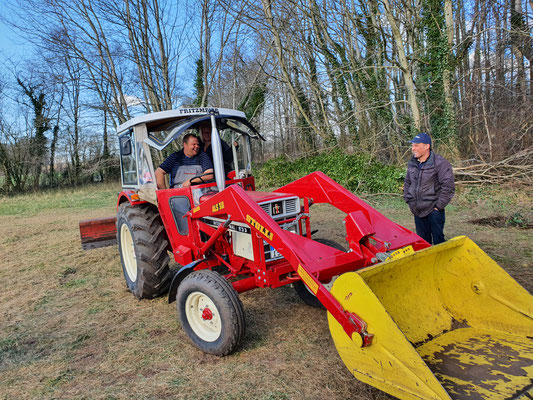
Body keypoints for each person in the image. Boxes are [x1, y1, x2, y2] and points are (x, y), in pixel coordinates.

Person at [403, 132, 455, 245]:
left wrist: (439, 206)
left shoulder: (440, 163)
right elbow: (407, 182)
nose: (413, 148)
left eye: (416, 145)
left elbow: (448, 186)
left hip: (434, 210)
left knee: (438, 242)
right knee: (423, 243)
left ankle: (442, 262)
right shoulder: (412, 163)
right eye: (412, 145)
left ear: (427, 146)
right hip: (417, 210)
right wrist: (408, 199)